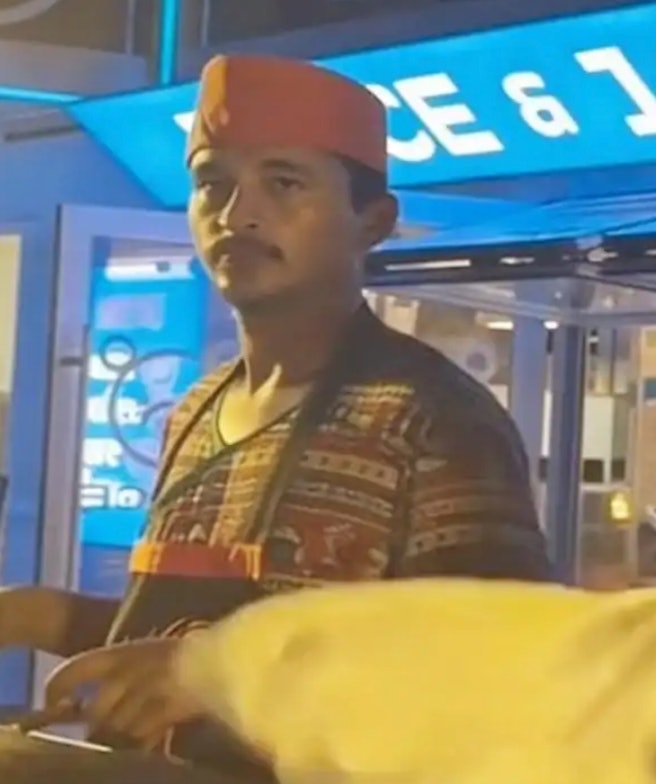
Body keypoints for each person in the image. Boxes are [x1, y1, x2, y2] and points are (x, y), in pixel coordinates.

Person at [1, 54, 552, 777]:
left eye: (284, 182)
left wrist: (226, 676)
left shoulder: (432, 418)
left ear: (373, 221)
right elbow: (185, 633)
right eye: (212, 183)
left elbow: (502, 666)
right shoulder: (196, 410)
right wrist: (39, 615)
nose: (238, 215)